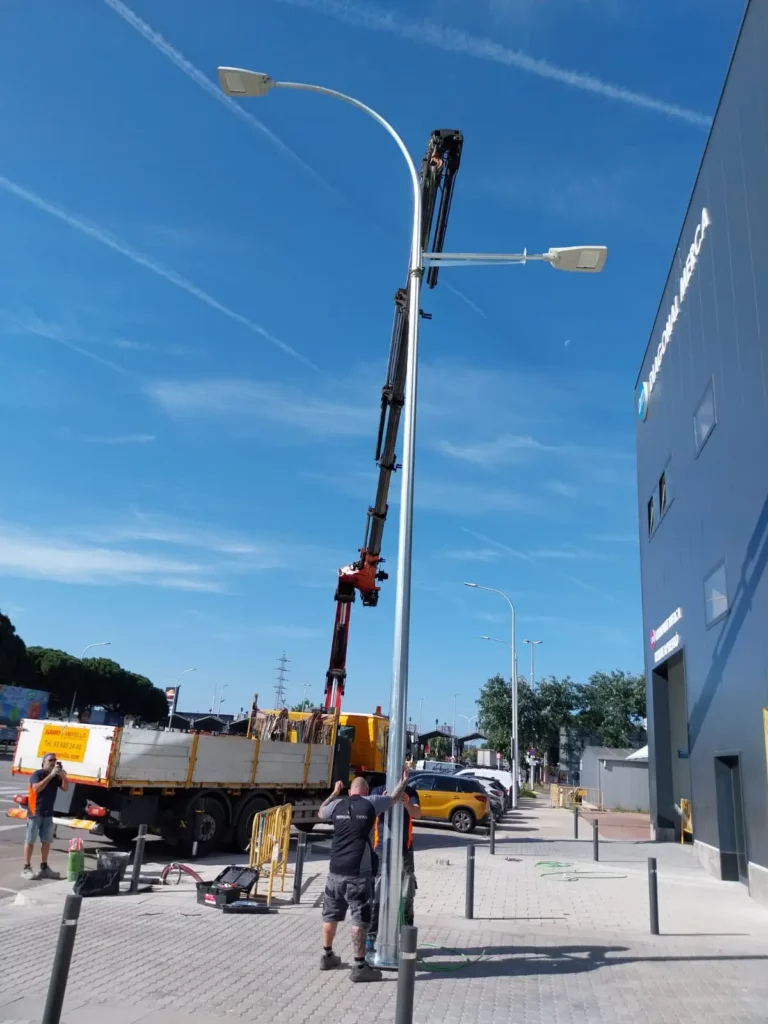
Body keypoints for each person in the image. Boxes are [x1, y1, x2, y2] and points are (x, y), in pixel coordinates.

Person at [318, 770, 409, 982]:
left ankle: (327, 955)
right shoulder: (371, 802)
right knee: (359, 917)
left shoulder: (337, 805)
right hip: (359, 872)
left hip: (334, 870)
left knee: (330, 914)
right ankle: (359, 966)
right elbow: (394, 798)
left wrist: (334, 793)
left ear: (350, 791)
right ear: (366, 792)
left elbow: (321, 811)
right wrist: (404, 781)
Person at [366, 780, 421, 954]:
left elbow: (418, 813)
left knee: (406, 895)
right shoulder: (378, 790)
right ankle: (370, 937)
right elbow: (368, 812)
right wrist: (381, 803)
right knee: (377, 894)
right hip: (381, 848)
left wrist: (407, 804)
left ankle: (406, 938)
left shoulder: (410, 792)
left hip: (404, 850)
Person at [22, 753, 68, 880]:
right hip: (35, 812)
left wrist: (63, 776)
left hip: (48, 813)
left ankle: (44, 867)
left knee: (46, 841)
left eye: (55, 761)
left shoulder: (56, 777)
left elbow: (65, 788)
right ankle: (26, 867)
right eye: (50, 760)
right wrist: (51, 775)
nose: (53, 762)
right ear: (43, 763)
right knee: (30, 840)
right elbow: (36, 788)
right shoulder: (38, 774)